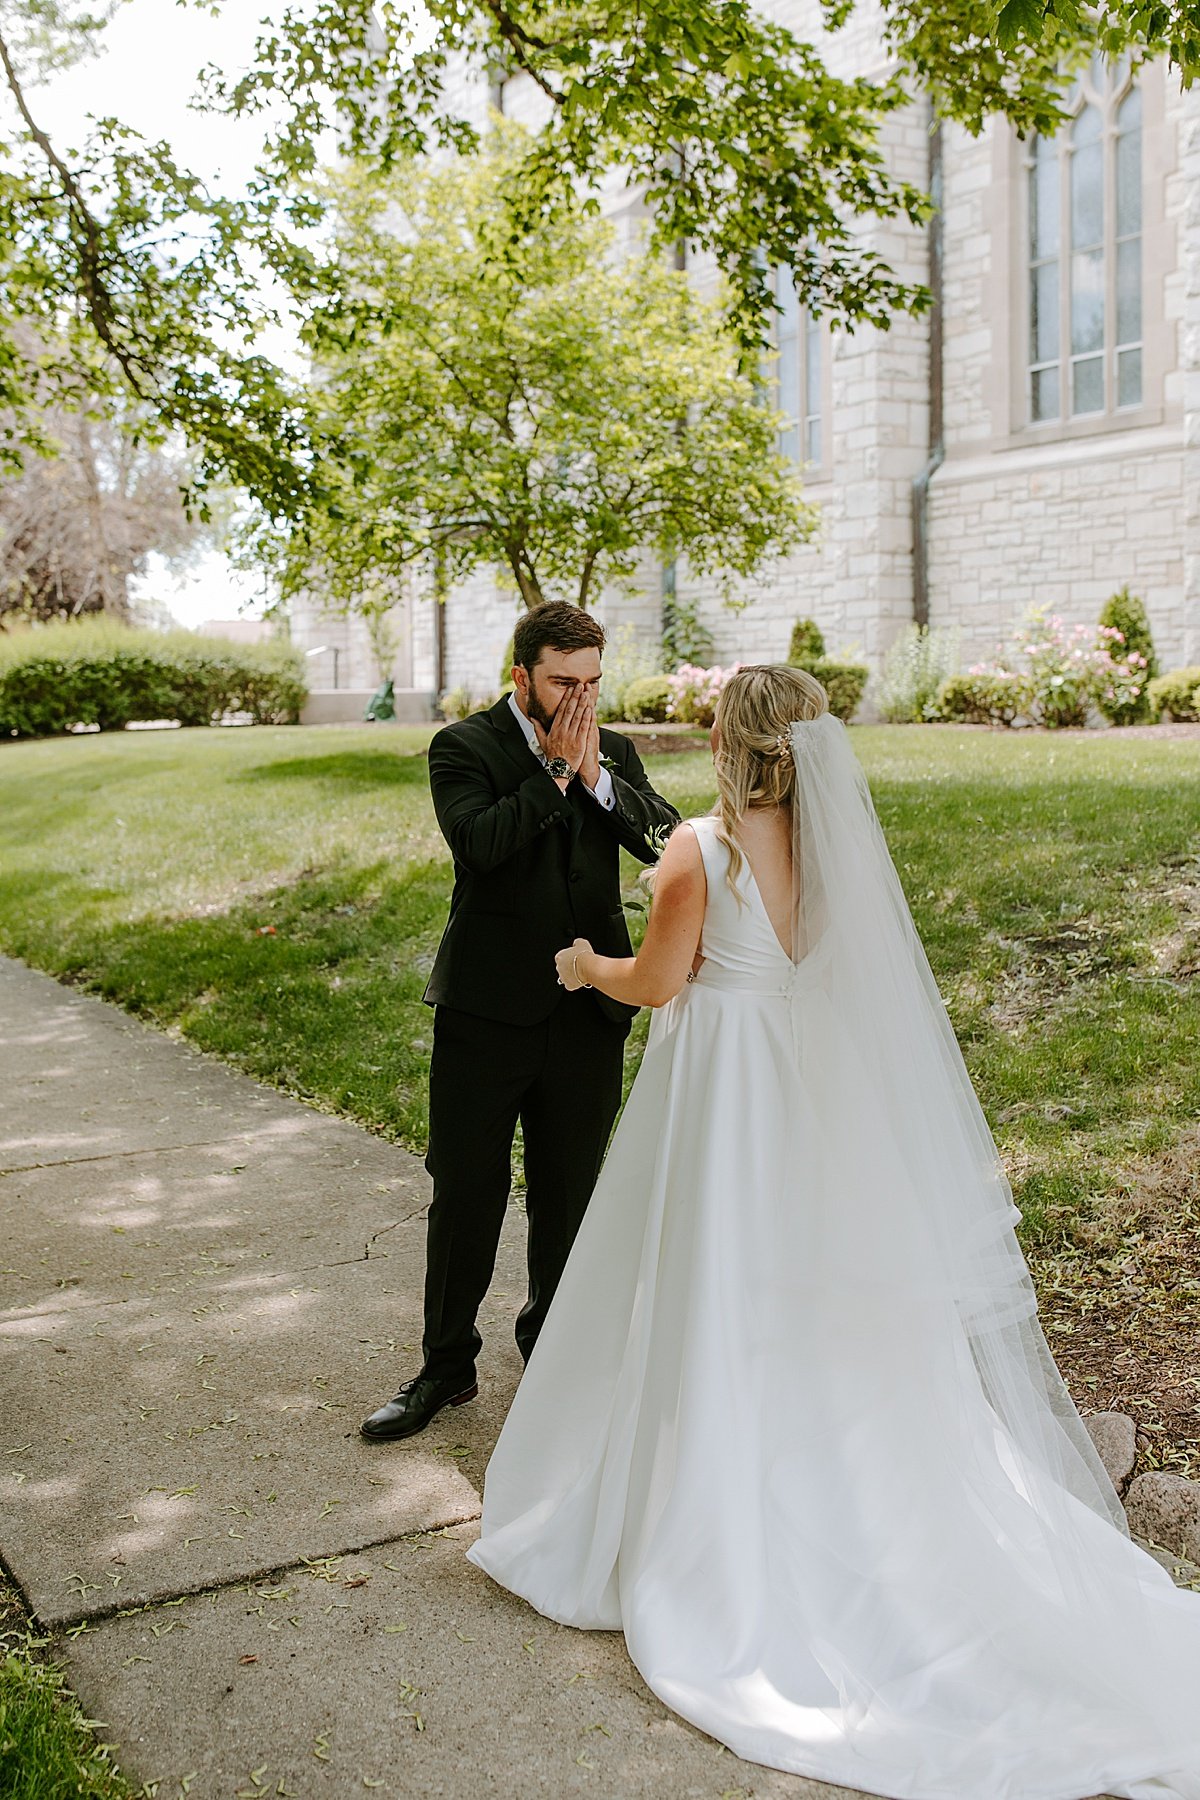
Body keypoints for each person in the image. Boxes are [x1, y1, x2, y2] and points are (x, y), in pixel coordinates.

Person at [467, 663, 1200, 1800]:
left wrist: (582, 965)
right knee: (822, 1304)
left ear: (727, 739)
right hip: (819, 1101)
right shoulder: (840, 857)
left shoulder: (696, 853)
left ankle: (720, 1502)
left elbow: (660, 984)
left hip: (726, 1103)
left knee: (719, 1287)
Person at [360, 602, 680, 1442]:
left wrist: (598, 774)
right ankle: (443, 1368)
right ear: (521, 678)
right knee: (466, 1192)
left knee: (568, 1197)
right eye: (561, 682)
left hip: (588, 1013)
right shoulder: (464, 748)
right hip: (485, 1011)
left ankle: (554, 1351)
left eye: (591, 682)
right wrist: (556, 775)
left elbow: (666, 839)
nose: (579, 697)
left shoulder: (612, 750)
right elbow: (480, 846)